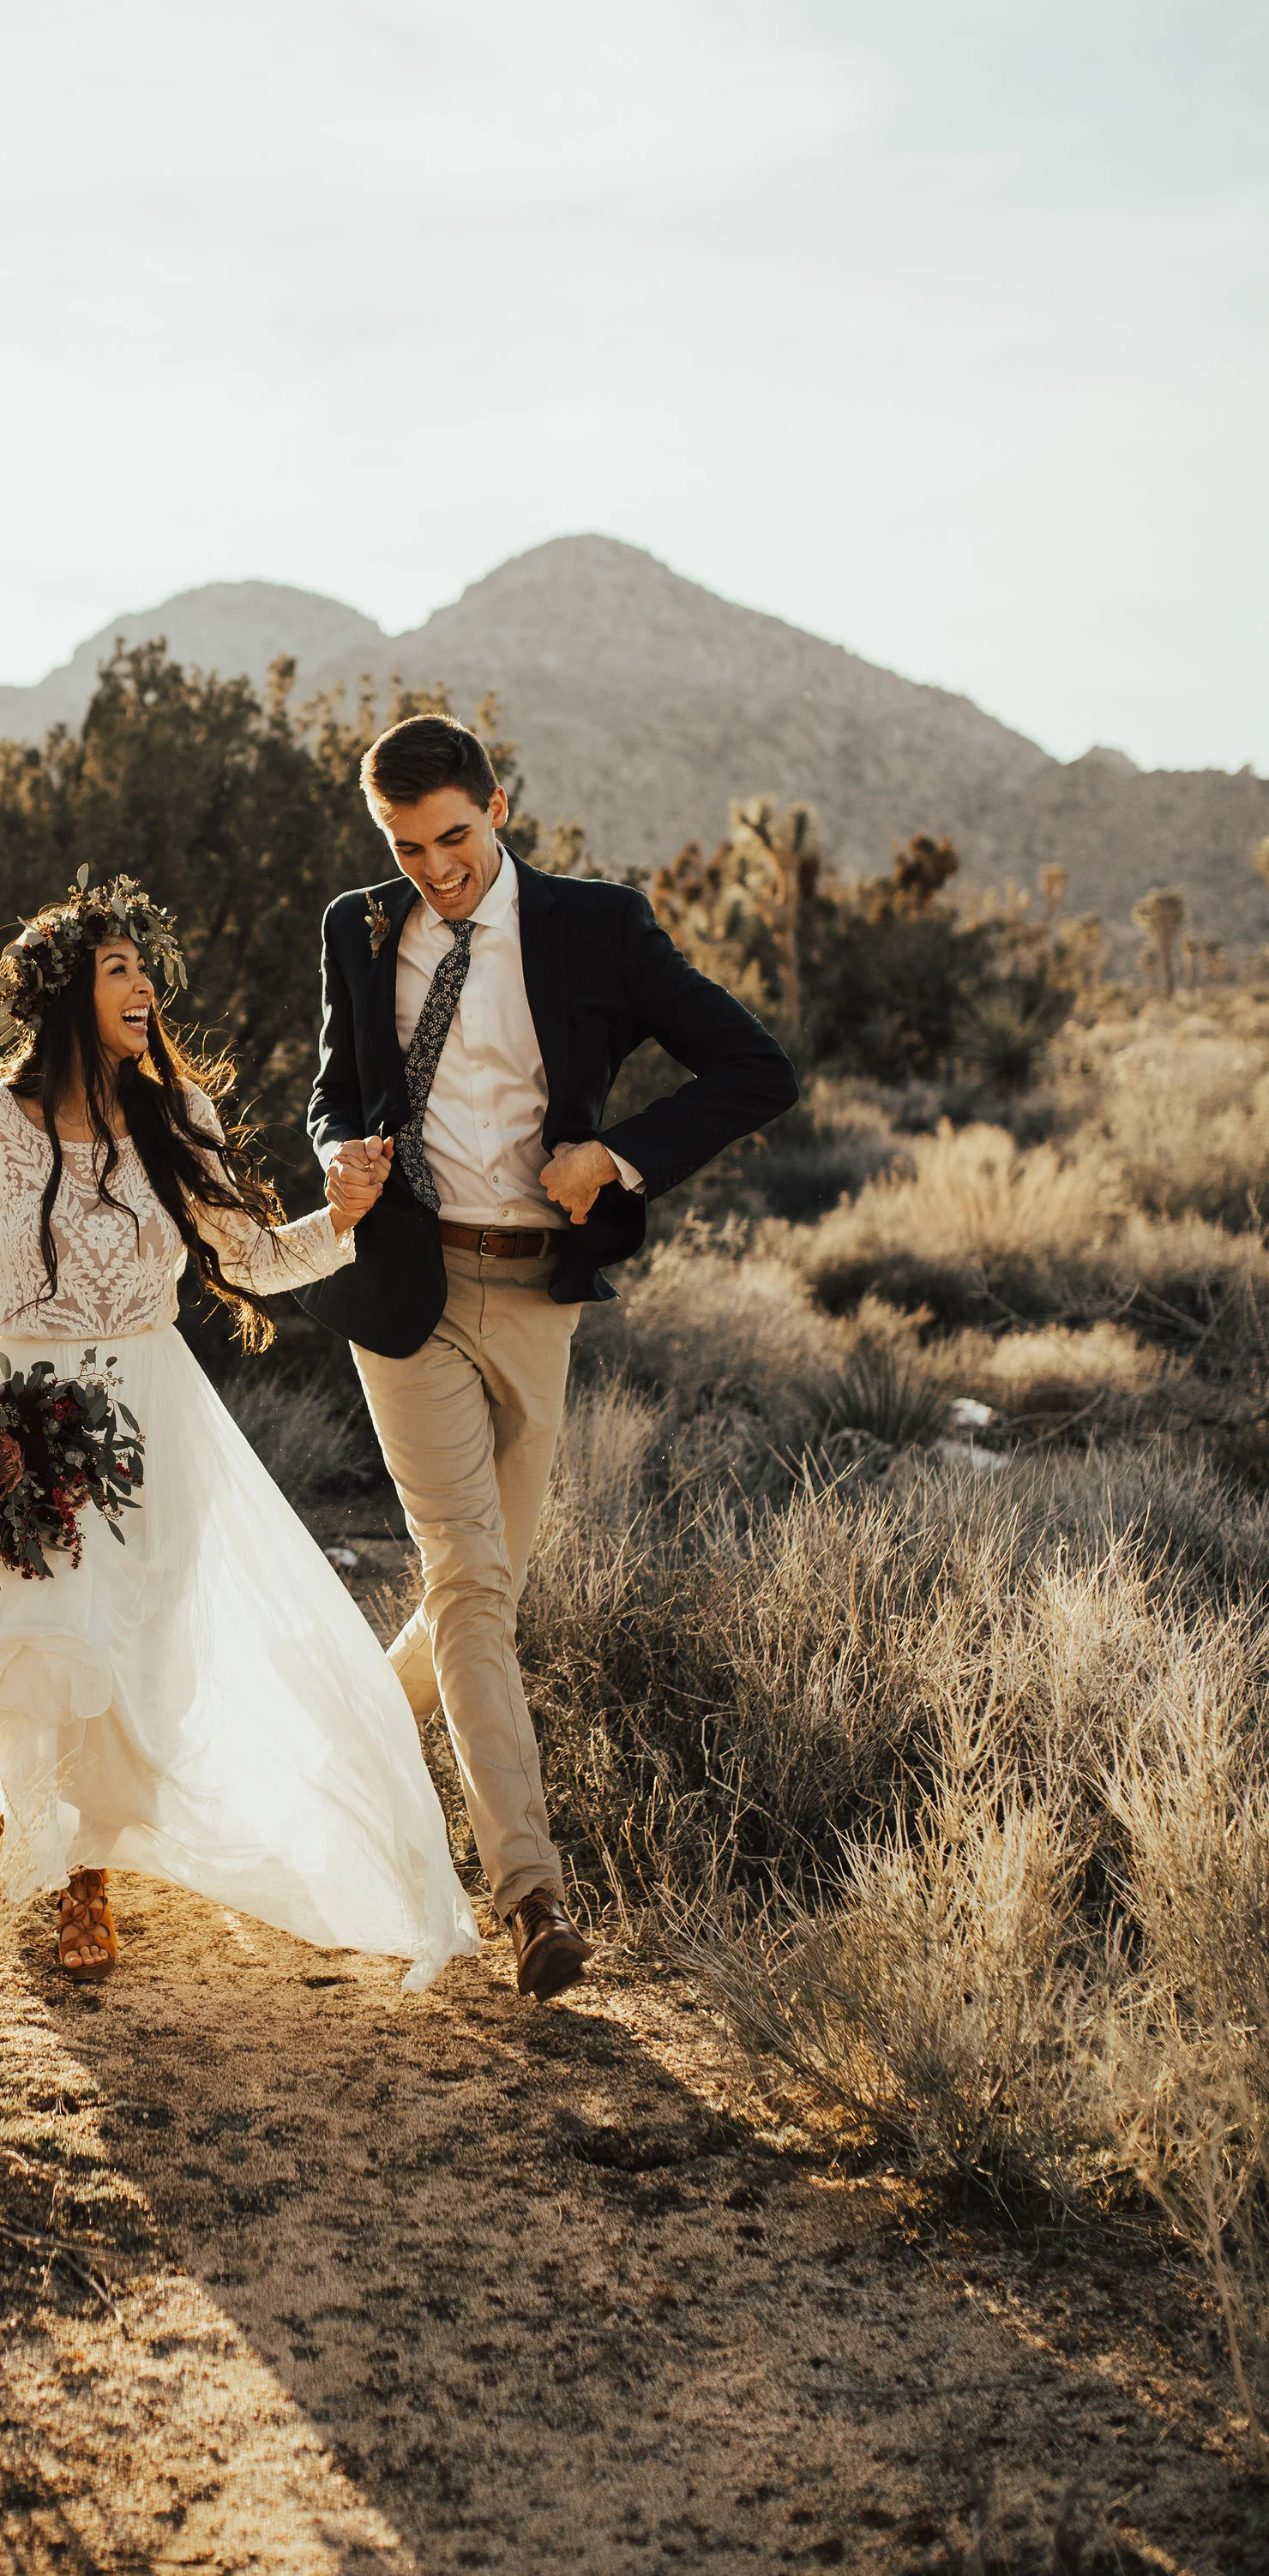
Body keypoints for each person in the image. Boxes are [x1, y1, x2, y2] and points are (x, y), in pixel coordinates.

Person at [0, 868, 480, 1990]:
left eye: (145, 971)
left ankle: (87, 1834)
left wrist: (344, 1218)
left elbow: (252, 1259)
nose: (146, 989)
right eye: (120, 970)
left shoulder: (176, 1116)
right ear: (68, 991)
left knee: (139, 1655)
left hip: (155, 1416)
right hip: (31, 1409)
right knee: (46, 1635)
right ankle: (72, 1876)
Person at [304, 714, 798, 2003]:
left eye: (454, 839)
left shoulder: (597, 926)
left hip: (537, 1292)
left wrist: (617, 1155)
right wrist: (337, 1153)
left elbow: (757, 1067)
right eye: (407, 849)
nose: (434, 872)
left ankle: (326, 1734)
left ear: (499, 807)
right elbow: (329, 1089)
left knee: (486, 1588)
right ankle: (531, 1893)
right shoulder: (359, 928)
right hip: (406, 1287)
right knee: (467, 1574)